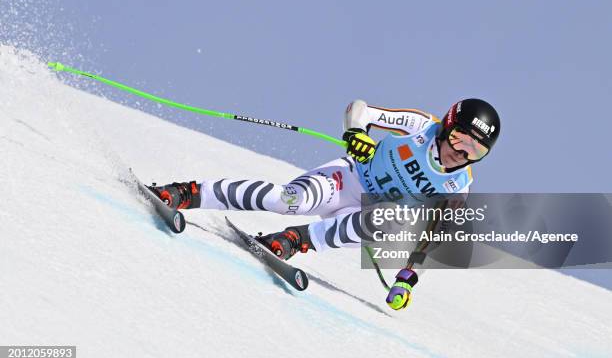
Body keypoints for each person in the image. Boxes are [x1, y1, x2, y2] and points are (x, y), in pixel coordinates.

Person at [149, 98, 501, 310]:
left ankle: (289, 242)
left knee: (391, 221)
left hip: (363, 214)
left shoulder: (459, 185)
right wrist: (356, 134)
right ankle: (184, 193)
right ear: (447, 125)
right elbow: (359, 109)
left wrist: (406, 280)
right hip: (346, 179)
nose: (460, 153)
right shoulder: (421, 126)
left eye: (475, 151)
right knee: (287, 199)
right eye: (459, 139)